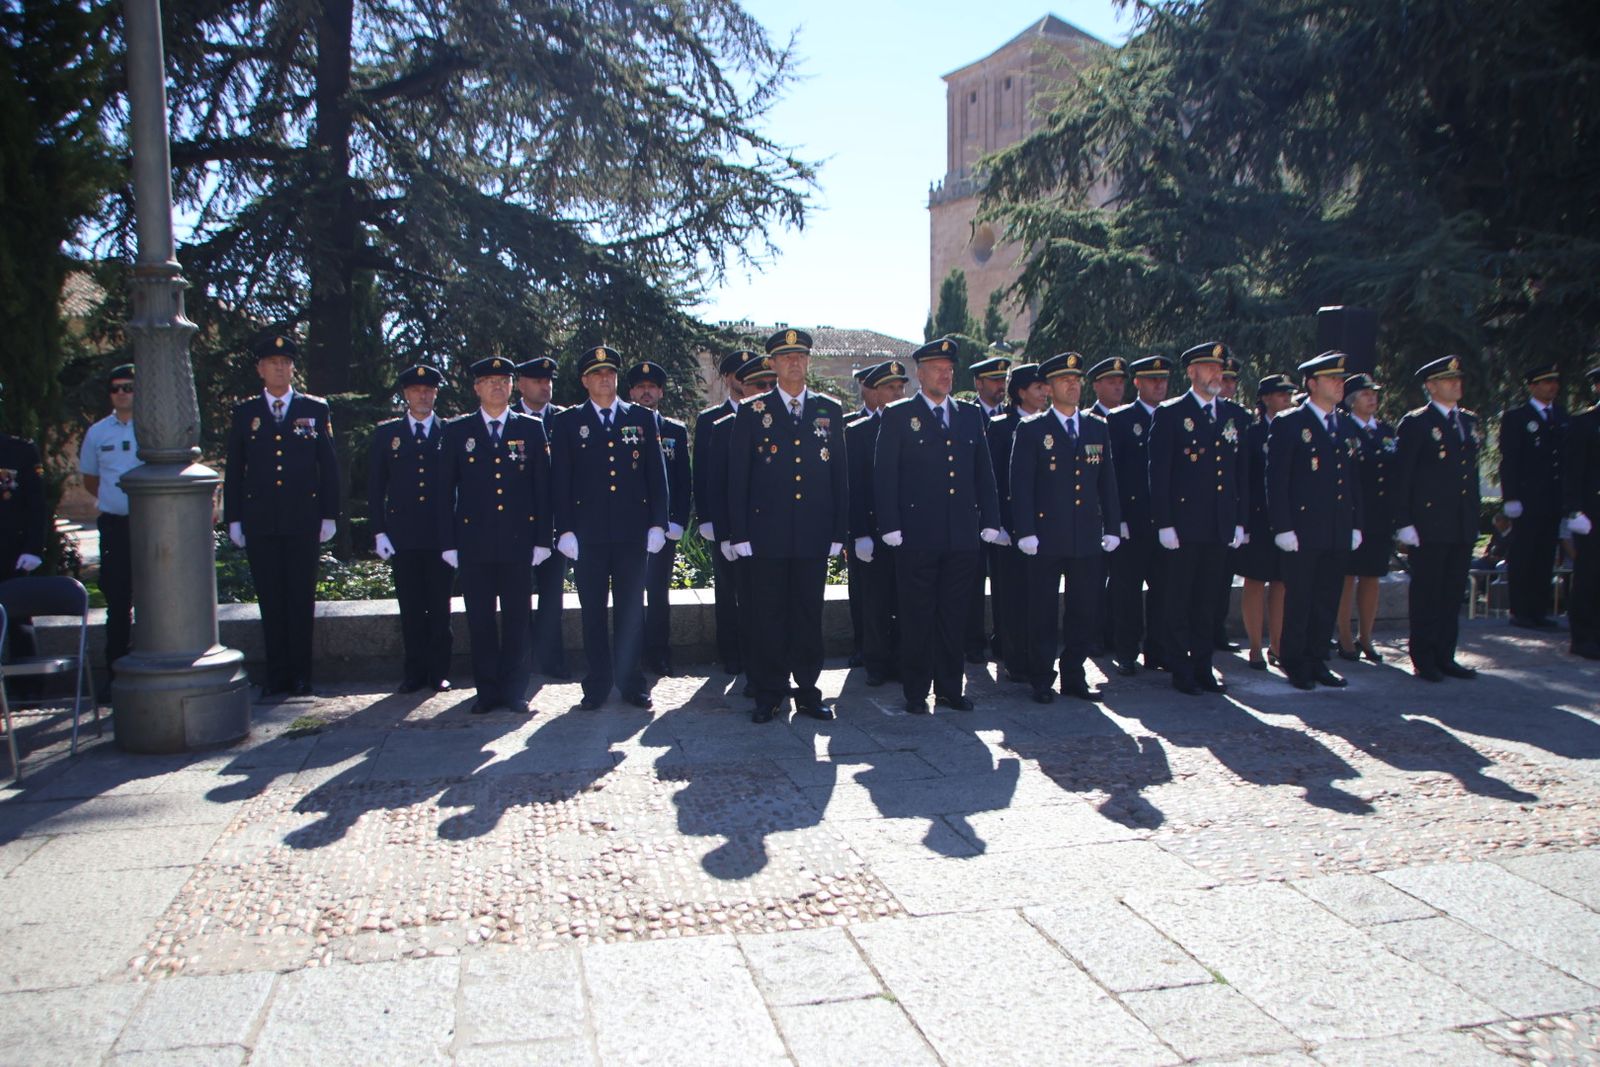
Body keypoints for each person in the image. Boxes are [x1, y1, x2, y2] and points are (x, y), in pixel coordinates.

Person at [875, 336, 1003, 714]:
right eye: (937, 369)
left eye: (949, 370)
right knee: (917, 615)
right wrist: (890, 524)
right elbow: (885, 475)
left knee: (955, 614)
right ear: (920, 374)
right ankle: (916, 690)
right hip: (916, 534)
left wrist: (991, 519)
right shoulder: (899, 415)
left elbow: (984, 472)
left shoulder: (968, 414)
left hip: (961, 533)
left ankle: (950, 686)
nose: (946, 375)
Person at [727, 328, 848, 723]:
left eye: (800, 356)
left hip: (813, 533)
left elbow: (839, 476)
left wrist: (837, 532)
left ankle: (809, 692)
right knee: (769, 615)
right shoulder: (753, 411)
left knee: (808, 615)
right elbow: (738, 478)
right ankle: (770, 690)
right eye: (786, 357)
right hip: (768, 534)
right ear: (774, 364)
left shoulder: (828, 409)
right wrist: (740, 533)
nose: (794, 362)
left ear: (808, 361)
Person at [549, 347, 668, 710]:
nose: (605, 379)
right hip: (589, 537)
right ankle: (597, 684)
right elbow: (561, 482)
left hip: (633, 534)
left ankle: (632, 683)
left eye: (610, 373)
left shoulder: (642, 418)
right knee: (593, 613)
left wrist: (658, 524)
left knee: (632, 610)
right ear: (584, 380)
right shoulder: (569, 423)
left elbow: (655, 476)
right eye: (597, 374)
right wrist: (564, 530)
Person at [223, 334, 340, 698]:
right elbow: (234, 469)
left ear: (293, 367)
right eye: (272, 362)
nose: (279, 367)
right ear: (260, 369)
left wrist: (329, 514)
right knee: (270, 600)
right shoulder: (246, 413)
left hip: (303, 520)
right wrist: (234, 518)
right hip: (260, 522)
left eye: (285, 361)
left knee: (300, 599)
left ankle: (302, 676)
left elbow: (329, 466)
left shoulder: (314, 409)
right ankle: (277, 677)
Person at [437, 357, 551, 713]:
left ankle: (515, 689)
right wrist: (448, 542)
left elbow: (542, 489)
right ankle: (486, 691)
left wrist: (542, 539)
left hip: (518, 542)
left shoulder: (531, 429)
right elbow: (444, 492)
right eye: (488, 381)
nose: (496, 387)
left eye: (503, 380)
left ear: (512, 386)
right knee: (480, 619)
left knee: (519, 619)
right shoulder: (458, 431)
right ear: (476, 388)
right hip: (474, 543)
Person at [1010, 352, 1122, 703]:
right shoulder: (1032, 429)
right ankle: (1042, 677)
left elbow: (1108, 483)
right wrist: (1025, 531)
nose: (1072, 387)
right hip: (1046, 537)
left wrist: (1113, 526)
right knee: (1042, 610)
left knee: (1084, 608)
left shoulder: (1096, 427)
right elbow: (1021, 486)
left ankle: (1074, 673)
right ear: (1048, 388)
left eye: (1076, 381)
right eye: (1064, 381)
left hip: (1086, 536)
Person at [1148, 342, 1248, 695]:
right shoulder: (1173, 413)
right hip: (1184, 524)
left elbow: (1240, 472)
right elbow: (1159, 473)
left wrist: (1239, 520)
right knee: (1179, 599)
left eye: (1220, 368)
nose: (1216, 374)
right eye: (1208, 368)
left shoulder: (1232, 415)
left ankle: (1204, 665)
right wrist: (1164, 522)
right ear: (1191, 372)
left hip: (1219, 523)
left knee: (1210, 600)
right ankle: (1180, 667)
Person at [1266, 352, 1363, 691]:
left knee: (1327, 597)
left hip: (1336, 527)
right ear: (1311, 383)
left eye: (1341, 379)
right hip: (1302, 530)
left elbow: (1352, 481)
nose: (1340, 384)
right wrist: (1283, 527)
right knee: (1301, 598)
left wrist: (1355, 524)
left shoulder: (1345, 424)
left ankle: (1319, 658)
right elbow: (1276, 480)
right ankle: (1295, 662)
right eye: (1332, 378)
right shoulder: (1289, 423)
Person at [1392, 355, 1482, 682]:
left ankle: (1446, 654)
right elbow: (1403, 476)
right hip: (1429, 523)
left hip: (1460, 522)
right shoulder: (1417, 423)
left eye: (1458, 378)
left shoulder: (1468, 421)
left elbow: (1467, 476)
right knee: (1428, 593)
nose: (1457, 384)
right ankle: (1424, 656)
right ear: (1431, 386)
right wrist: (1404, 521)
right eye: (1448, 379)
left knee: (1452, 592)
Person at [367, 364, 453, 694]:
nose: (423, 395)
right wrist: (378, 531)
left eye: (429, 390)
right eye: (417, 390)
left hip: (440, 537)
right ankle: (414, 672)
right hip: (402, 537)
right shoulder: (387, 434)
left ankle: (439, 673)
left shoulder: (450, 431)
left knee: (440, 608)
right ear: (406, 394)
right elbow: (376, 488)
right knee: (412, 609)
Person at [707, 354, 780, 696]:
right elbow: (718, 483)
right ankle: (752, 671)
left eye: (770, 385)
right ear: (741, 387)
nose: (765, 391)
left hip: (774, 534)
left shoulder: (781, 422)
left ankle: (774, 671)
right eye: (757, 386)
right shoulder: (722, 426)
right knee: (745, 605)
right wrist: (723, 531)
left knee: (774, 608)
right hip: (740, 535)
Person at [1106, 355, 1173, 677]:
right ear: (1137, 383)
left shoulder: (1173, 417)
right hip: (1130, 521)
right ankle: (1126, 651)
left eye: (1163, 380)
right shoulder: (1120, 420)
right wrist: (1114, 519)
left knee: (1165, 590)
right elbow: (1111, 474)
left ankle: (1159, 650)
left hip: (1164, 521)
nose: (1159, 385)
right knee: (1126, 592)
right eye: (1151, 380)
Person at [846, 359, 910, 687]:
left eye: (901, 388)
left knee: (904, 598)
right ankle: (876, 661)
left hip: (906, 530)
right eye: (890, 388)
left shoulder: (913, 426)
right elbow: (853, 487)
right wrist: (858, 534)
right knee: (875, 600)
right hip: (871, 530)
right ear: (873, 391)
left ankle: (901, 659)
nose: (897, 393)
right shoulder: (858, 432)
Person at [626, 360, 690, 676]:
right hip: (630, 527)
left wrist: (676, 520)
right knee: (630, 594)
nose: (646, 392)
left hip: (663, 528)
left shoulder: (674, 430)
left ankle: (659, 654)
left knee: (658, 594)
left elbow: (683, 481)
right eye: (640, 387)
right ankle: (633, 654)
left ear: (661, 392)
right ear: (631, 392)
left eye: (652, 388)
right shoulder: (622, 428)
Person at [78, 363, 141, 682]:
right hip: (115, 525)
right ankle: (115, 672)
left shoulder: (152, 427)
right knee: (117, 600)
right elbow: (91, 480)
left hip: (150, 527)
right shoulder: (98, 432)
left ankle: (152, 663)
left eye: (128, 387)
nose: (121, 393)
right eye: (116, 388)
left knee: (155, 598)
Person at [988, 362, 1048, 684]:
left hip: (1044, 527)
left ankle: (1037, 657)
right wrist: (996, 524)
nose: (1044, 393)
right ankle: (1014, 657)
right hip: (1010, 528)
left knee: (1039, 596)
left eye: (1045, 387)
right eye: (1038, 387)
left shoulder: (1049, 425)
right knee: (1011, 595)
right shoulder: (1000, 427)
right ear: (1020, 392)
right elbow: (993, 478)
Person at [692, 349, 750, 676]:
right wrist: (707, 519)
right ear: (728, 379)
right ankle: (730, 652)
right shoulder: (710, 419)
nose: (745, 379)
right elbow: (702, 473)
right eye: (739, 373)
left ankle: (756, 649)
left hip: (757, 522)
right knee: (727, 591)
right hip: (723, 520)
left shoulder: (764, 414)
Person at [1499, 363, 1568, 629]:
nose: (1552, 386)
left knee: (1544, 555)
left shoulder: (1561, 416)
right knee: (1524, 554)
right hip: (1527, 499)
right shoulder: (1517, 417)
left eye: (1554, 382)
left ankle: (1539, 610)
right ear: (1532, 386)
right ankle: (1520, 610)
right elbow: (1511, 460)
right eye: (1546, 382)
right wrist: (1510, 497)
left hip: (1552, 499)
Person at [514, 356, 570, 679]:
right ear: (521, 385)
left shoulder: (563, 419)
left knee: (552, 596)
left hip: (554, 523)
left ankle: (551, 659)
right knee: (518, 596)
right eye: (537, 380)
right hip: (518, 524)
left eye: (548, 380)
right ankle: (522, 661)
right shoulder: (510, 419)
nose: (545, 385)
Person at [1234, 373, 1294, 669]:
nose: (1286, 399)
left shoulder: (1296, 429)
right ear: (1265, 399)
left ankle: (1279, 644)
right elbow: (1243, 479)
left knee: (1282, 584)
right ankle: (1256, 646)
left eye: (1289, 395)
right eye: (1280, 394)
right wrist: (1241, 523)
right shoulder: (1252, 432)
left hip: (1286, 520)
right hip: (1257, 519)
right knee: (1255, 582)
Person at [1336, 373, 1396, 663]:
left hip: (1379, 515)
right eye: (1365, 394)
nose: (1372, 399)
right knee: (1347, 577)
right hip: (1352, 515)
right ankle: (1344, 637)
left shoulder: (1385, 431)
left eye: (1374, 394)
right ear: (1350, 401)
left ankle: (1367, 637)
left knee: (1372, 576)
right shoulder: (1343, 428)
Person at [966, 352, 1013, 662]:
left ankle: (1003, 638)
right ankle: (972, 641)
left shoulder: (1012, 418)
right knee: (971, 582)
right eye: (994, 380)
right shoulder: (966, 416)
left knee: (1005, 583)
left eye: (1004, 380)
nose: (1000, 386)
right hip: (971, 516)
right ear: (978, 383)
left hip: (1003, 518)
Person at [0, 381, 47, 665]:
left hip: (11, 552)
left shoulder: (19, 451)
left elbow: (36, 505)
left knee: (18, 621)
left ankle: (29, 692)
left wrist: (33, 548)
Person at [1210, 354, 1249, 652]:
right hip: (1198, 513)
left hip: (1227, 510)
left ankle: (1217, 630)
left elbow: (1243, 470)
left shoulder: (1239, 417)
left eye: (1232, 380)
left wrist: (1241, 518)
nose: (1228, 385)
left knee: (1222, 579)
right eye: (1223, 378)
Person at [1562, 364, 1600, 660]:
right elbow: (1573, 472)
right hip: (1593, 512)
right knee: (1589, 575)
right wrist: (1573, 510)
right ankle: (1584, 636)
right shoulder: (1585, 423)